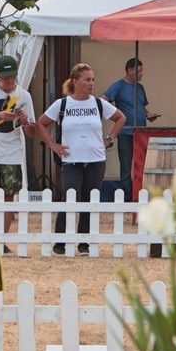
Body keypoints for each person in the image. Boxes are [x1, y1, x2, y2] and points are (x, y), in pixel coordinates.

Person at [39, 63, 123, 254]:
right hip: (71, 160)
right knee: (70, 197)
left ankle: (85, 242)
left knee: (90, 200)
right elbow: (41, 124)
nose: (91, 83)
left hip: (95, 159)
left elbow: (120, 118)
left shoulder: (99, 104)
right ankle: (60, 242)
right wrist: (53, 145)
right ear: (75, 82)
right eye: (87, 80)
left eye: (93, 79)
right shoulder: (62, 104)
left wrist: (110, 138)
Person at [0, 54, 50, 239]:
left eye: (12, 76)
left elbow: (31, 133)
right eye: (5, 77)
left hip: (12, 153)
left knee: (9, 197)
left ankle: (3, 238)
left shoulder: (24, 95)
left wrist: (25, 121)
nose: (9, 80)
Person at [102, 57, 156, 193]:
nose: (142, 74)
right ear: (130, 71)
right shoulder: (118, 86)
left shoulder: (140, 87)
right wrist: (113, 115)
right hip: (126, 132)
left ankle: (141, 193)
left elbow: (141, 106)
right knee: (126, 167)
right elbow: (103, 100)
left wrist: (148, 114)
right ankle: (127, 197)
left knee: (143, 164)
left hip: (141, 132)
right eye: (139, 71)